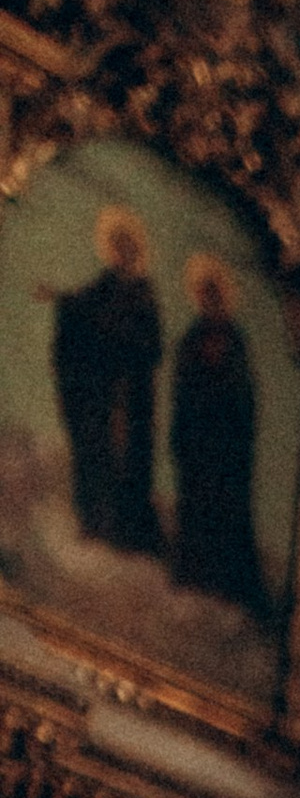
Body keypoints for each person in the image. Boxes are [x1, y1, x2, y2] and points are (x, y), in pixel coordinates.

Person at [50, 209, 163, 559]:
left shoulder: (144, 295)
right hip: (99, 394)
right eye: (117, 246)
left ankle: (126, 532)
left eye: (128, 246)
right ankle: (95, 524)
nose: (122, 252)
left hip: (131, 397)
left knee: (128, 461)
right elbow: (80, 313)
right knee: (95, 455)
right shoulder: (101, 289)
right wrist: (64, 302)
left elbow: (149, 346)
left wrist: (118, 339)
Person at [168, 255, 264, 611]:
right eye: (204, 293)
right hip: (197, 446)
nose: (209, 299)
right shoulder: (191, 340)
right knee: (195, 510)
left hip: (226, 450)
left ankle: (228, 585)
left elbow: (244, 396)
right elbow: (181, 392)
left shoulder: (235, 341)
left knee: (227, 515)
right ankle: (194, 577)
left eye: (214, 293)